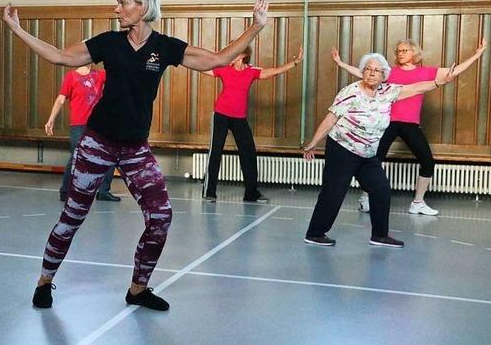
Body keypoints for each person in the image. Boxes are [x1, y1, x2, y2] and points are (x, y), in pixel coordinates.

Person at [3, 0, 269, 311]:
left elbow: (215, 60)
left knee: (160, 217)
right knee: (73, 216)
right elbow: (59, 57)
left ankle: (138, 289)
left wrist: (255, 27)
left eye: (122, 3)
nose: (116, 8)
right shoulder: (108, 43)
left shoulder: (166, 47)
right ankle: (44, 281)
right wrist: (16, 28)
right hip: (97, 143)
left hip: (135, 150)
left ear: (141, 7)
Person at [302, 51, 461, 248]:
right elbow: (331, 118)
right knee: (333, 192)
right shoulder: (350, 91)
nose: (372, 73)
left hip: (367, 154)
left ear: (384, 75)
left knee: (381, 190)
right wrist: (313, 142)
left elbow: (415, 88)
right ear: (362, 72)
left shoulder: (388, 92)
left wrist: (440, 82)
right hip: (343, 148)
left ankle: (380, 235)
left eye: (377, 70)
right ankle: (315, 233)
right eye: (368, 69)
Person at [333, 39, 487, 215]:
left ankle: (418, 203)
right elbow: (364, 74)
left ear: (414, 53)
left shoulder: (426, 72)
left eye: (404, 50)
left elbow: (454, 71)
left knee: (428, 161)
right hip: (388, 123)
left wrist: (477, 55)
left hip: (410, 124)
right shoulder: (389, 72)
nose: (400, 53)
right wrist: (340, 63)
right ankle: (365, 198)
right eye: (398, 51)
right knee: (373, 160)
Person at [202, 45, 303, 203]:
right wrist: (179, 59)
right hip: (220, 115)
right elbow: (202, 68)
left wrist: (295, 63)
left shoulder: (251, 71)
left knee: (248, 153)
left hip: (239, 118)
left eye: (234, 52)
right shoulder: (223, 68)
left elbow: (273, 71)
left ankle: (251, 193)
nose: (231, 55)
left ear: (242, 55)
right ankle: (209, 192)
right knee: (215, 152)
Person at [45, 64, 120, 203]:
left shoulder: (100, 75)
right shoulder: (71, 77)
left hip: (98, 124)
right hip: (79, 124)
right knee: (77, 157)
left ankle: (103, 191)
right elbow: (61, 99)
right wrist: (51, 119)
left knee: (110, 154)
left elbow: (119, 73)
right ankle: (66, 191)